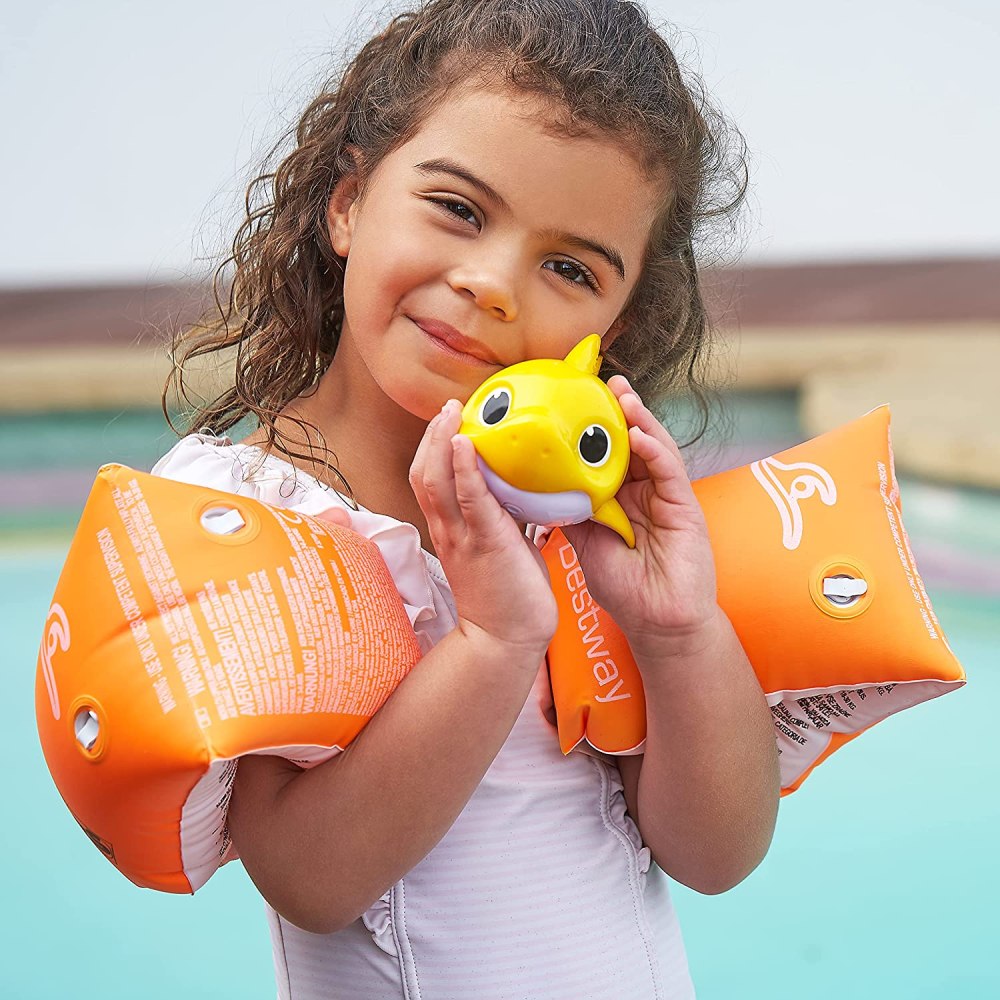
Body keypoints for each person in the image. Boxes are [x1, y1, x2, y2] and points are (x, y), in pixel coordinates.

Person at [155, 1, 780, 996]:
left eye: (570, 267)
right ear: (349, 203)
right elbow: (308, 877)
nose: (493, 283)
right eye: (458, 208)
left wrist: (675, 629)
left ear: (614, 326)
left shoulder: (577, 521)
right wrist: (492, 643)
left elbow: (715, 855)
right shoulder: (244, 514)